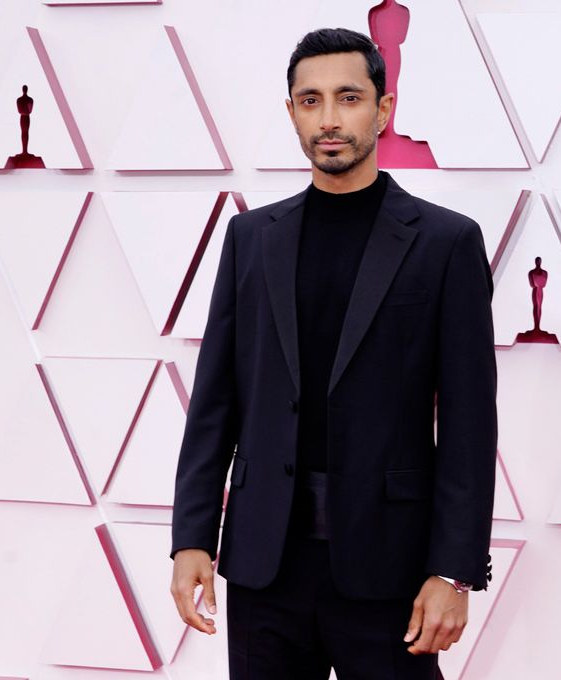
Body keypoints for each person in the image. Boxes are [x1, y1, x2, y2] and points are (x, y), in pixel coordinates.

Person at [170, 26, 497, 680]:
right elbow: (215, 403)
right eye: (310, 100)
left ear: (383, 109)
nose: (329, 119)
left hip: (391, 568)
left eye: (348, 98)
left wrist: (454, 571)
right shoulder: (250, 238)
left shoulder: (446, 243)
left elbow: (468, 423)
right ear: (292, 112)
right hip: (265, 566)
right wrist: (191, 539)